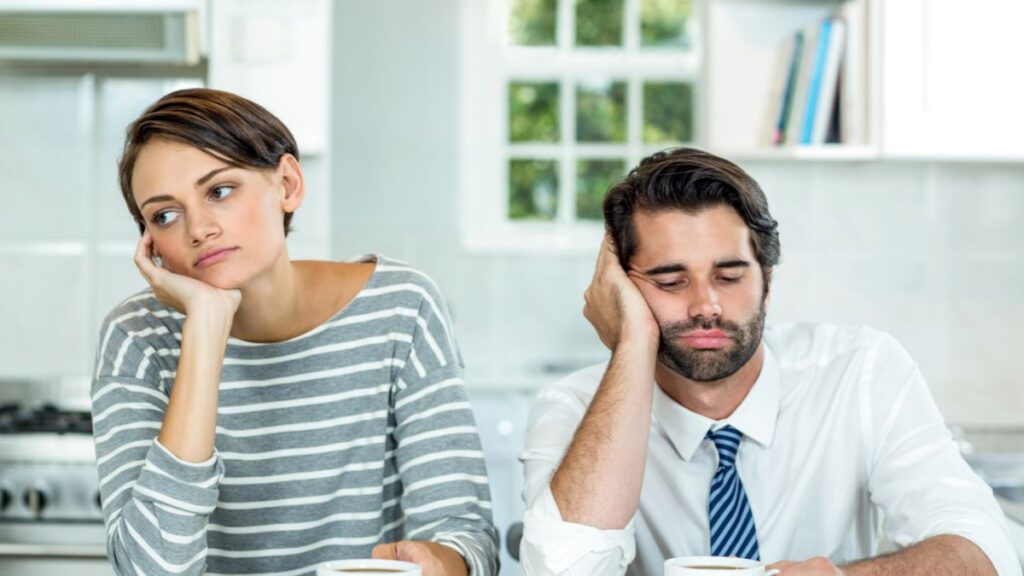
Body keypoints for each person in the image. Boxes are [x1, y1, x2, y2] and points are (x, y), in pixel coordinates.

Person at [518, 147, 1021, 576]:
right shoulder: (574, 407)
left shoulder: (863, 371)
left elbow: (987, 550)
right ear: (621, 290)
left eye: (730, 276)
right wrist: (632, 343)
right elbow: (563, 567)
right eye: (671, 282)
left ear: (767, 282)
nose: (705, 305)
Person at [91, 88, 498, 576]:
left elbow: (466, 538)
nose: (198, 229)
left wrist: (439, 565)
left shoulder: (402, 307)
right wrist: (205, 327)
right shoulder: (137, 338)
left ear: (287, 184)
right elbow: (152, 570)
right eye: (165, 215)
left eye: (219, 191)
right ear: (150, 244)